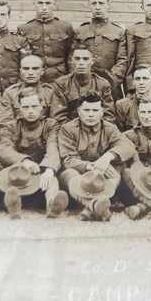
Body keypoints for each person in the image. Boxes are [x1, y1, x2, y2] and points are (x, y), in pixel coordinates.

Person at [57, 92, 135, 221]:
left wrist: (107, 157)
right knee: (69, 172)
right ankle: (95, 205)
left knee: (118, 166)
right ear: (79, 111)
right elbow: (68, 159)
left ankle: (91, 207)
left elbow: (128, 146)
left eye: (95, 110)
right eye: (87, 110)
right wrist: (89, 166)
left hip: (102, 181)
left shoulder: (110, 128)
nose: (91, 114)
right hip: (79, 181)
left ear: (102, 112)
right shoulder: (67, 129)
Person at [0, 88, 67, 219]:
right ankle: (14, 207)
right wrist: (24, 160)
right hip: (18, 173)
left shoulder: (50, 125)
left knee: (52, 179)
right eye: (26, 107)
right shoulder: (10, 127)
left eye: (34, 106)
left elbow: (53, 147)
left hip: (41, 173)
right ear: (19, 108)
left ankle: (52, 206)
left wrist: (50, 169)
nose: (30, 111)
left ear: (41, 106)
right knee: (6, 180)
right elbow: (5, 151)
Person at [73, 0, 127, 99]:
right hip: (83, 88)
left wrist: (108, 81)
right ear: (89, 5)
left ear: (109, 3)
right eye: (94, 3)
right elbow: (72, 60)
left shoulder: (119, 32)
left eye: (101, 3)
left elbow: (123, 61)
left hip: (111, 89)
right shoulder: (79, 31)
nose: (97, 7)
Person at [17, 0, 74, 85]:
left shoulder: (65, 28)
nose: (44, 7)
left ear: (54, 4)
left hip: (60, 81)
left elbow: (70, 58)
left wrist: (70, 82)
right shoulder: (24, 29)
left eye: (48, 3)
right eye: (40, 3)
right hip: (34, 82)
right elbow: (21, 60)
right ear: (34, 3)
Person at [50, 44, 114, 126]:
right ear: (72, 60)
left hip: (96, 134)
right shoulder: (62, 84)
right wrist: (77, 133)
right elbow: (58, 118)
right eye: (77, 59)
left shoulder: (103, 84)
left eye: (85, 59)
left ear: (92, 61)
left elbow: (109, 118)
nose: (81, 63)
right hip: (70, 133)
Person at [113, 64, 151, 132]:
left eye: (145, 78)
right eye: (137, 79)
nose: (141, 82)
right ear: (133, 82)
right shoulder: (122, 105)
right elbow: (119, 136)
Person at [0, 54, 56, 127]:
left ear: (42, 71)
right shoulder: (10, 93)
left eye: (35, 68)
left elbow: (54, 122)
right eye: (26, 68)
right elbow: (5, 123)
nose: (30, 73)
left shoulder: (51, 92)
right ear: (20, 72)